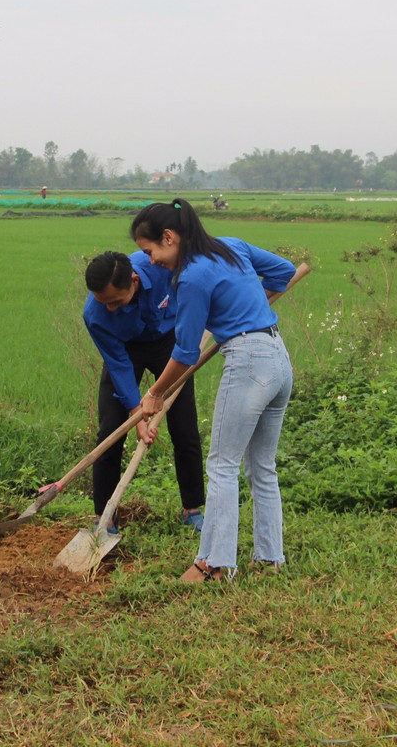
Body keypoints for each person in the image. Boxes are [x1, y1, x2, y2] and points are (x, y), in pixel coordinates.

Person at [131, 198, 296, 583]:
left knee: (222, 465)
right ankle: (270, 559)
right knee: (262, 467)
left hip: (249, 362)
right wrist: (248, 309)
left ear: (169, 237)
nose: (151, 260)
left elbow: (186, 353)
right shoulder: (231, 246)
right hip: (277, 356)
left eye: (149, 250)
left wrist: (154, 394)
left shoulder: (191, 277)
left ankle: (214, 565)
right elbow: (284, 271)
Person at [83, 251, 204, 533]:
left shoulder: (162, 267)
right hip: (125, 350)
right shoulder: (95, 314)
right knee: (110, 431)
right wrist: (137, 412)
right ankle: (105, 516)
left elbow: (196, 287)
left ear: (134, 281)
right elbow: (117, 362)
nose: (109, 308)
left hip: (168, 345)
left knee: (184, 427)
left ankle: (193, 509)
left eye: (115, 301)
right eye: (104, 303)